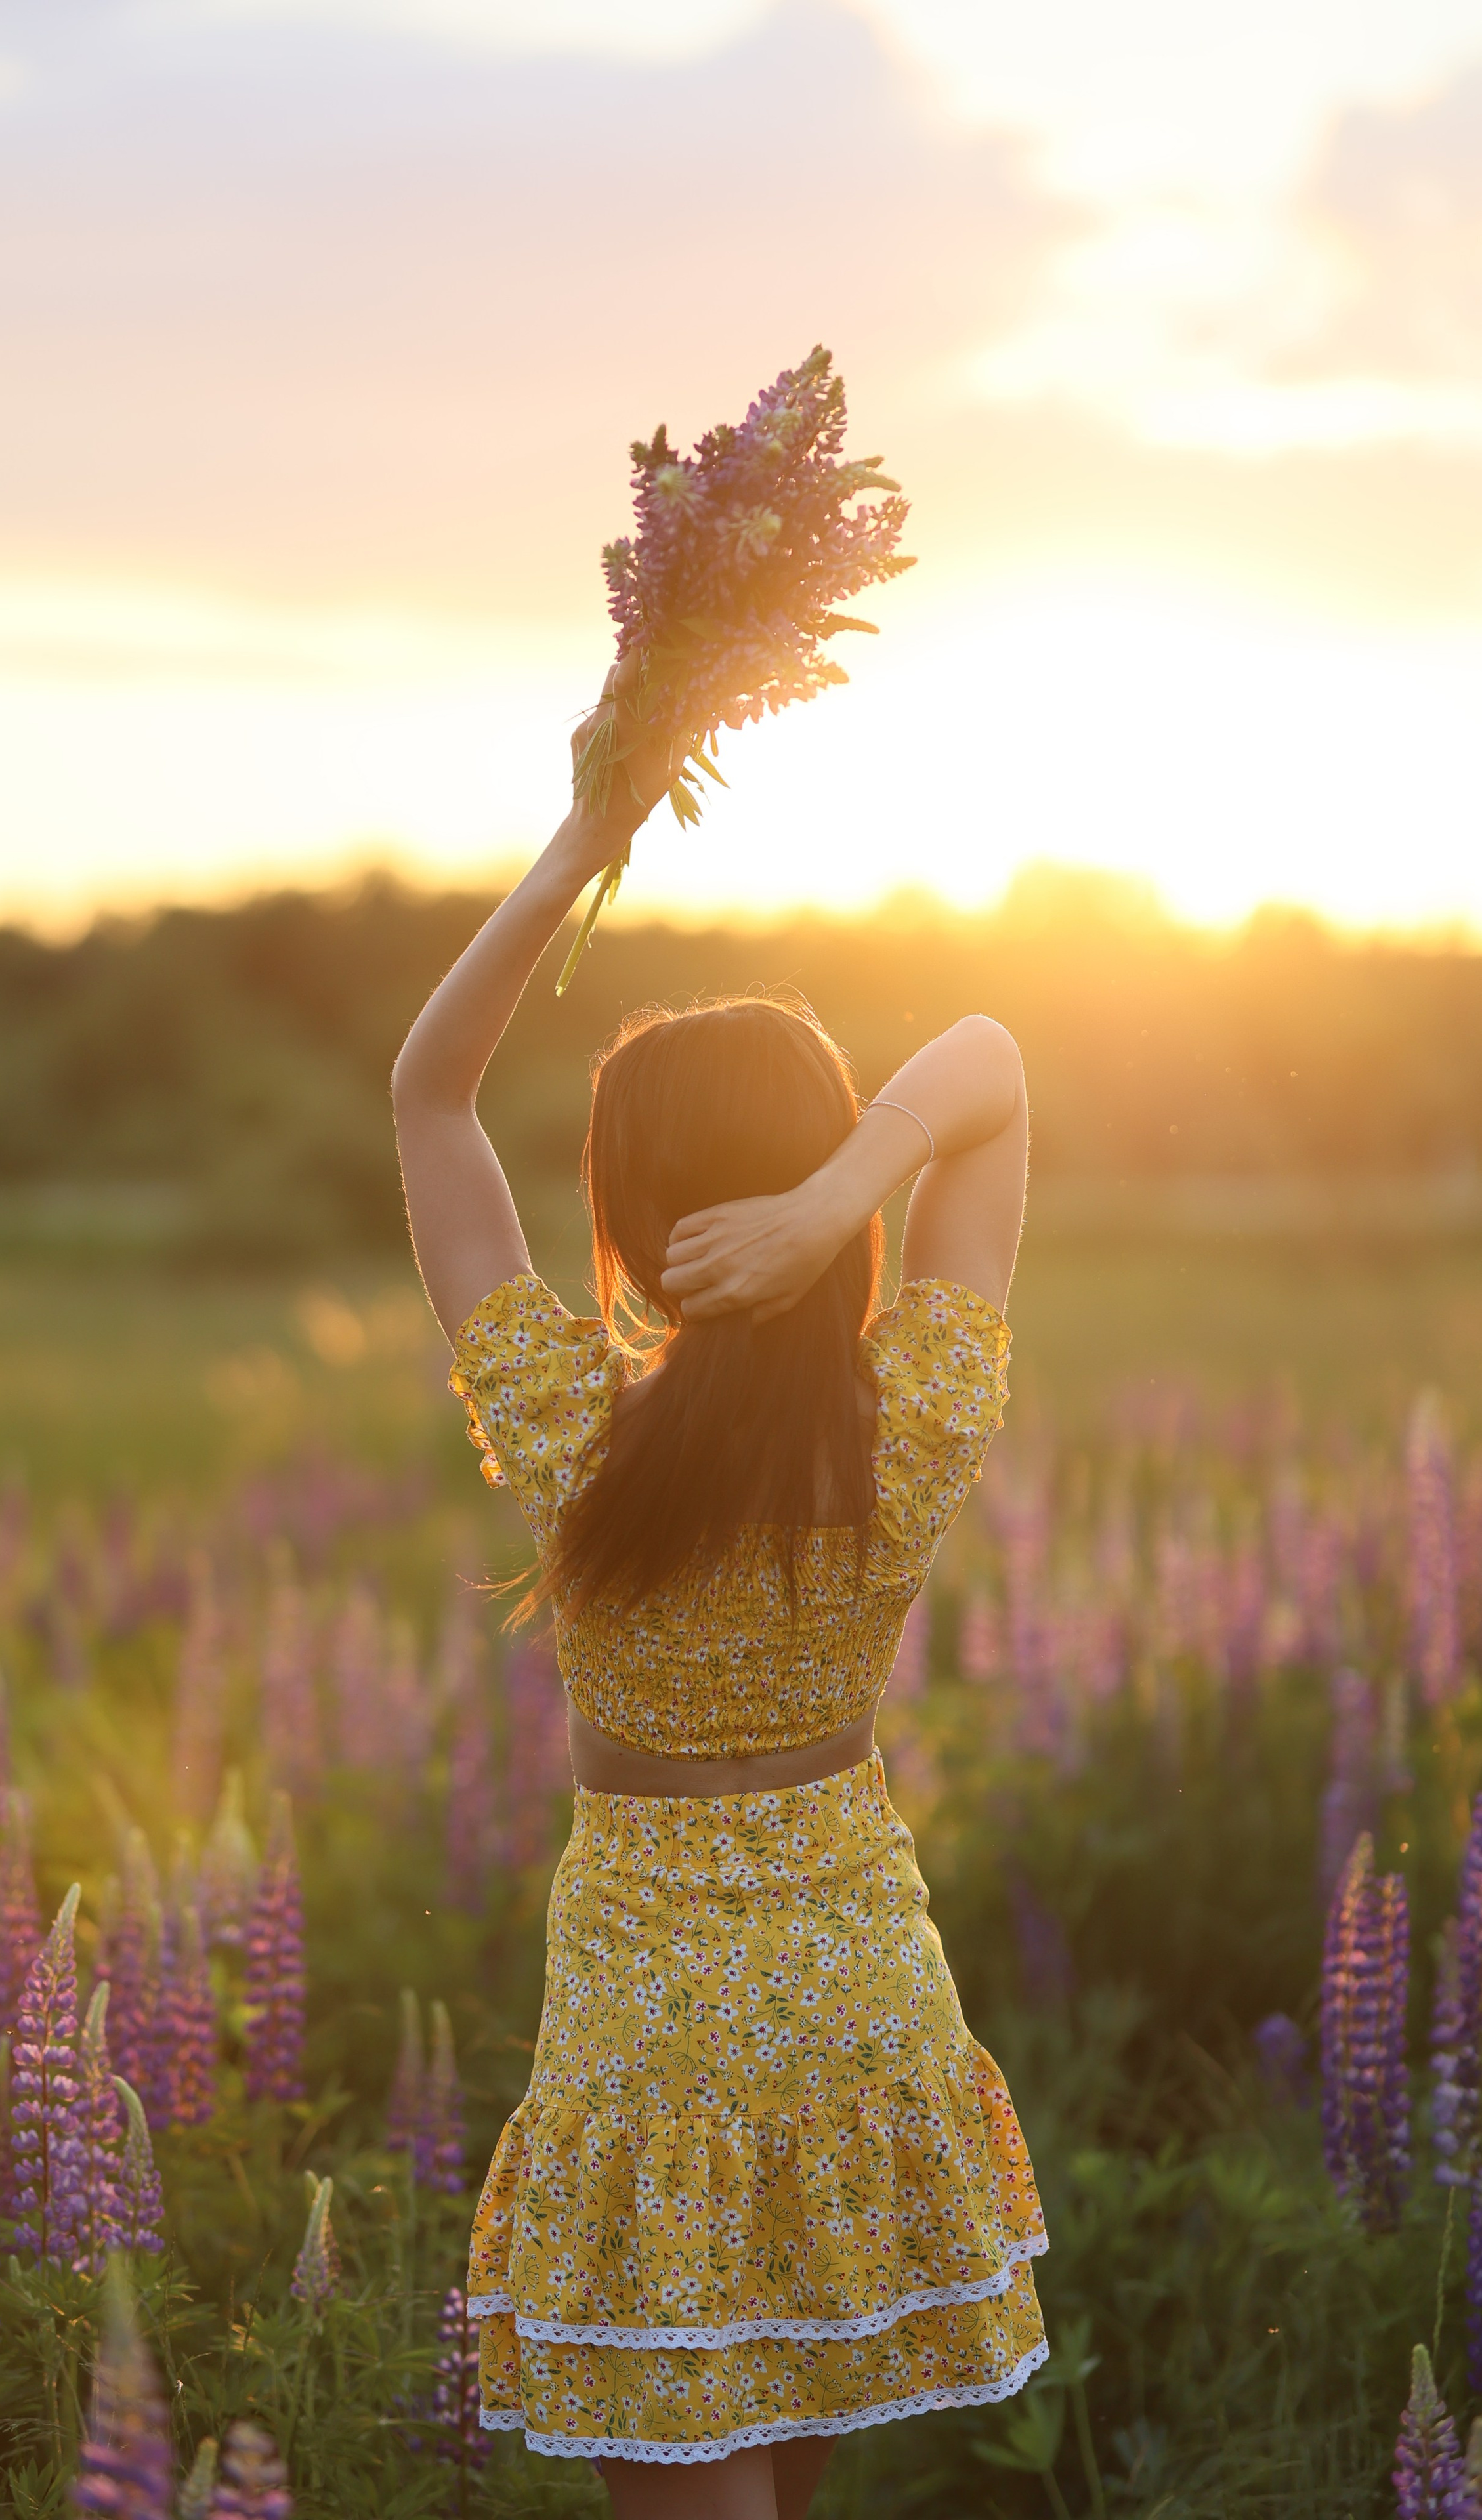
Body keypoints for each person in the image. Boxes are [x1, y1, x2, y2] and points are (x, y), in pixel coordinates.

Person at [392, 660, 1046, 2519]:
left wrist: (580, 846)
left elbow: (429, 1099)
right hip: (857, 1998)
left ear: (619, 1209)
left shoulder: (570, 1428)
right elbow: (990, 1068)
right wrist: (844, 1195)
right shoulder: (907, 1422)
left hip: (653, 2030)